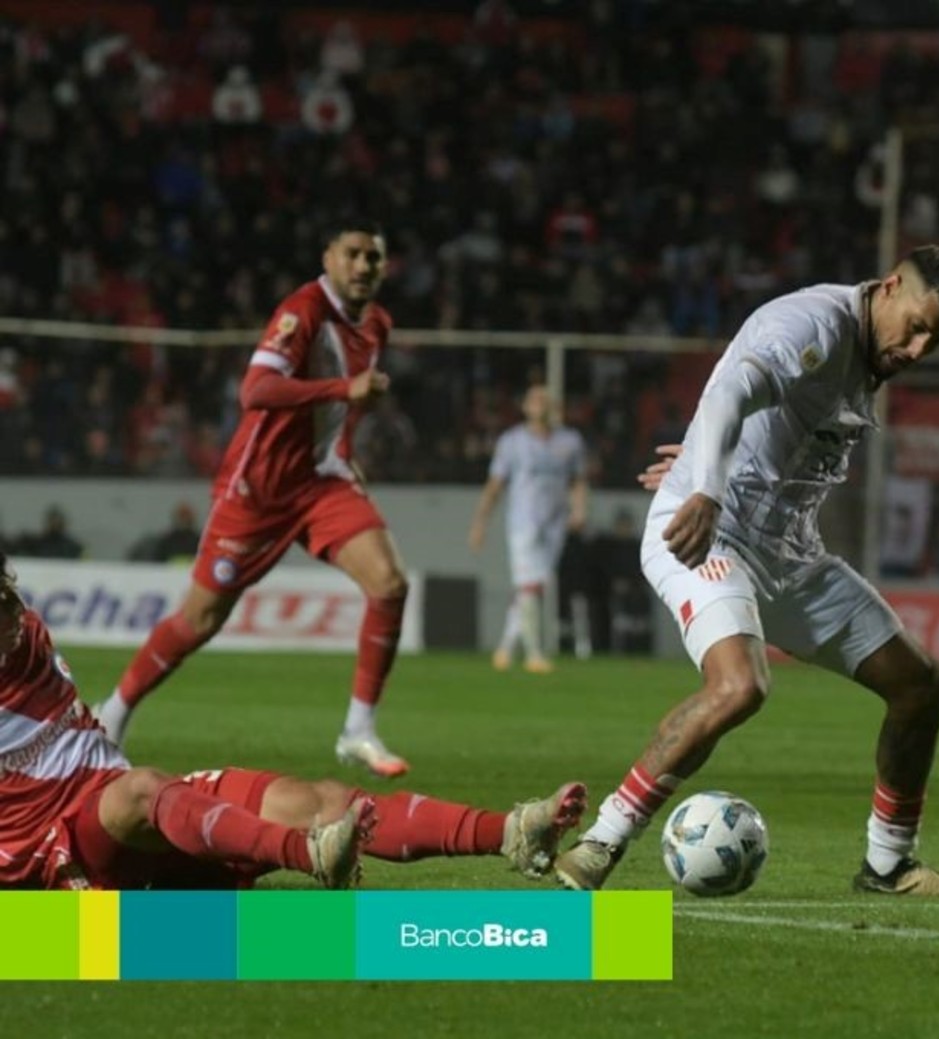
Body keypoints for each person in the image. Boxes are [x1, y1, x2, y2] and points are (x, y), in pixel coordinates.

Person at [551, 245, 939, 896]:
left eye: (937, 341)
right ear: (889, 286)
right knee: (739, 686)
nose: (920, 349)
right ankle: (600, 842)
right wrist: (706, 487)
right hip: (706, 532)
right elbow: (731, 387)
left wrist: (705, 452)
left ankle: (889, 863)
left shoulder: (870, 352)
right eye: (917, 326)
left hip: (789, 552)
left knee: (920, 683)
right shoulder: (813, 324)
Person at [0, 552, 587, 890]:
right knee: (144, 789)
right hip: (59, 845)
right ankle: (309, 855)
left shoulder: (24, 629)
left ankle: (511, 833)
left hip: (127, 815)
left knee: (327, 801)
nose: (9, 612)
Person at [95, 219, 416, 778]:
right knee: (201, 619)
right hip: (258, 490)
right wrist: (343, 389)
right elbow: (256, 390)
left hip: (322, 481)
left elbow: (339, 413)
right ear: (330, 256)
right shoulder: (303, 310)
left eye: (375, 257)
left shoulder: (377, 325)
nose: (364, 265)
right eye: (354, 254)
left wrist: (343, 449)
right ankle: (114, 713)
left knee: (389, 583)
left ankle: (357, 730)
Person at [468, 385, 588, 674]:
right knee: (530, 586)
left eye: (546, 401)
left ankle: (505, 649)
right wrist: (480, 522)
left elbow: (578, 480)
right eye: (535, 400)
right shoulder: (512, 441)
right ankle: (534, 653)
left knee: (532, 587)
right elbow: (496, 485)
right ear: (526, 407)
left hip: (554, 524)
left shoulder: (570, 441)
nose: (541, 406)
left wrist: (579, 509)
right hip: (523, 522)